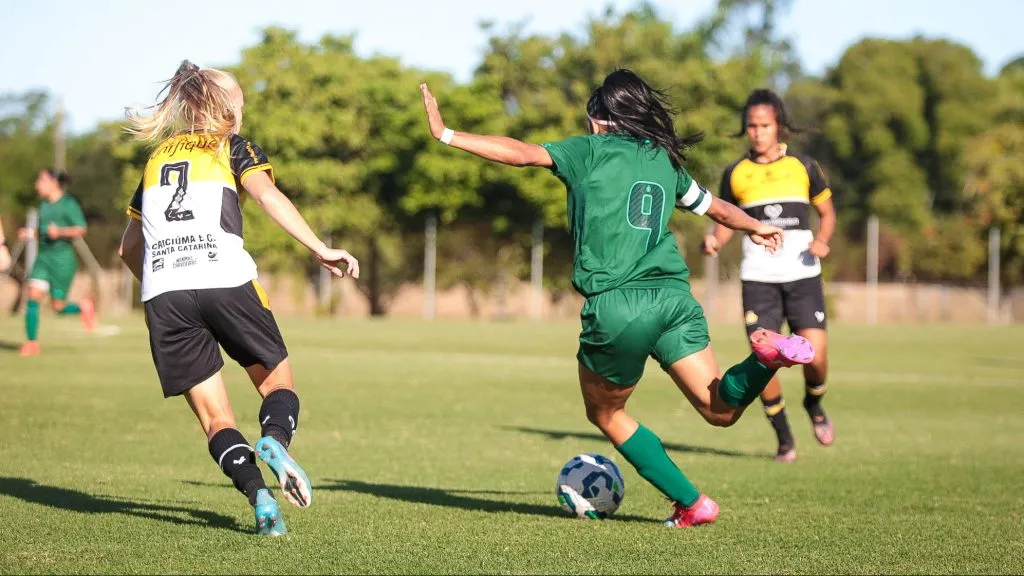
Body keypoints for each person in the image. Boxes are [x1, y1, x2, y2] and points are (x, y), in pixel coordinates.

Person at [419, 70, 814, 528]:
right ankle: (764, 360)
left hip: (617, 306)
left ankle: (693, 503)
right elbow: (715, 207)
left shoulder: (587, 152)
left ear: (599, 119)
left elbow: (521, 154)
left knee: (605, 412)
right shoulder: (663, 160)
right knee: (719, 409)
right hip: (673, 299)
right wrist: (757, 225)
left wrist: (447, 134)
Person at [118, 60, 360, 536]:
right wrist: (320, 248)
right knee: (277, 386)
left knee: (214, 419)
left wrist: (158, 286)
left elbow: (128, 248)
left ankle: (260, 499)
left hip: (163, 294)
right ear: (226, 108)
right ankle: (273, 440)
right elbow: (268, 197)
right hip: (224, 277)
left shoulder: (156, 159)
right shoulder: (231, 145)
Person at [702, 89, 836, 462]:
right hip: (759, 277)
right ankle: (784, 439)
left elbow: (827, 213)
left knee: (817, 355)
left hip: (802, 274)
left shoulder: (804, 167)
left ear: (779, 126)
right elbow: (727, 221)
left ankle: (815, 403)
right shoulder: (736, 174)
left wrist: (823, 240)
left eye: (765, 125)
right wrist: (714, 239)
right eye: (751, 126)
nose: (757, 132)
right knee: (765, 357)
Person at [18, 169, 97, 357]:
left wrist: (60, 232)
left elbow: (81, 229)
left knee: (58, 308)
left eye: (42, 180)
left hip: (63, 260)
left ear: (54, 183)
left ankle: (83, 307)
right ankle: (31, 343)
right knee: (33, 296)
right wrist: (30, 234)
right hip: (43, 258)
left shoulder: (68, 203)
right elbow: (43, 231)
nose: (38, 184)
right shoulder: (43, 205)